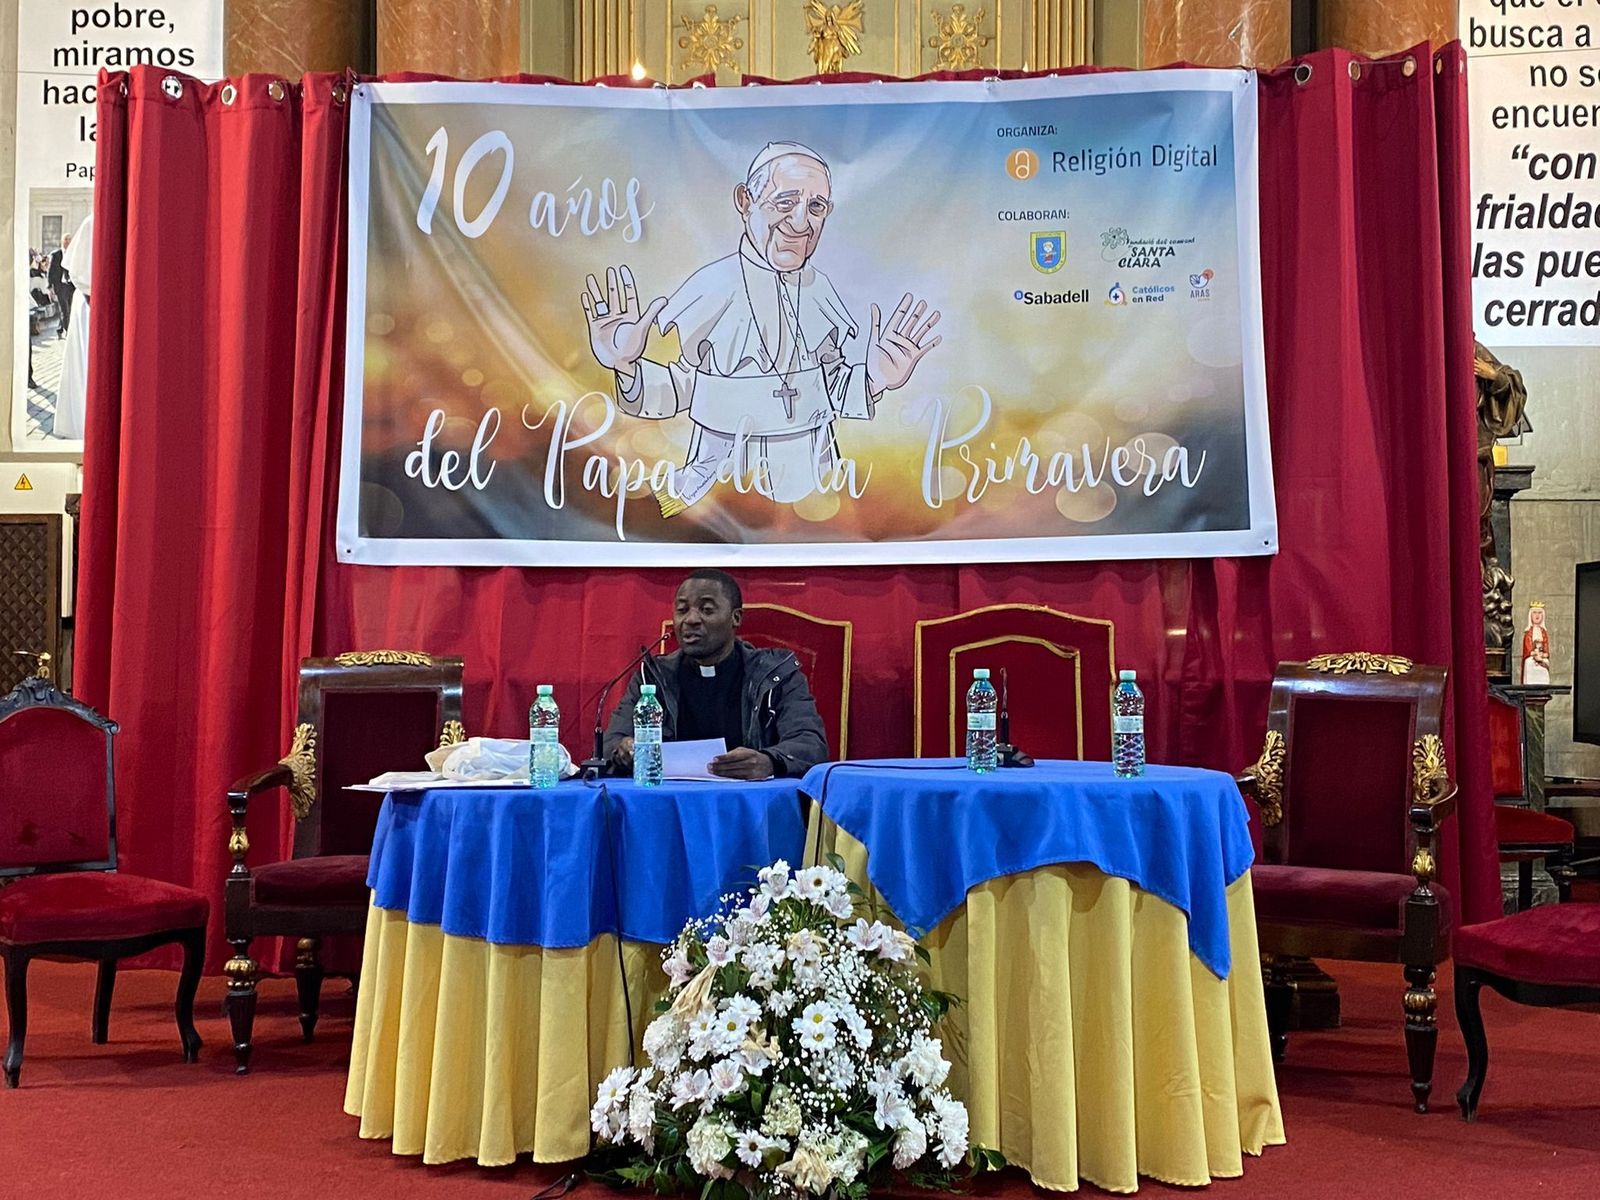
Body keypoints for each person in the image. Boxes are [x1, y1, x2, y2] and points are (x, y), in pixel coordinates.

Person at [580, 141, 942, 515]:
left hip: (814, 500)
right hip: (721, 500)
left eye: (816, 208)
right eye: (784, 202)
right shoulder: (712, 287)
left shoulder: (819, 290)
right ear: (745, 200)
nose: (801, 223)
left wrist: (875, 378)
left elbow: (828, 388)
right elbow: (682, 388)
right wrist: (624, 367)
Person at [604, 569, 828, 779]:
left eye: (707, 610)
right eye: (682, 610)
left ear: (736, 618)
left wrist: (768, 761)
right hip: (668, 801)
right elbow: (610, 742)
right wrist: (624, 748)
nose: (691, 620)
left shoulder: (776, 674)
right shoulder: (652, 676)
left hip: (751, 803)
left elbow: (810, 743)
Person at [53, 212, 94, 440]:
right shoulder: (92, 221)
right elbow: (78, 272)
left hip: (95, 301)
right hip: (90, 303)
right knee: (84, 363)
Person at [49, 234, 75, 339]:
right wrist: (50, 286)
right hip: (60, 285)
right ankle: (68, 332)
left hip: (71, 285)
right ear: (62, 241)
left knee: (69, 309)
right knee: (65, 309)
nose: (68, 241)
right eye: (66, 239)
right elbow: (51, 271)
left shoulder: (73, 253)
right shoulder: (56, 254)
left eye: (70, 239)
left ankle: (60, 328)